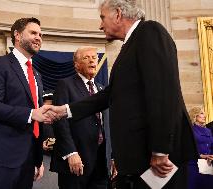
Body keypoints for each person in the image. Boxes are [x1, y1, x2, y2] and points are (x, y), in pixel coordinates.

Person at [48, 0, 198, 188]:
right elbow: (109, 94)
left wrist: (160, 149)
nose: (100, 25)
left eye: (103, 18)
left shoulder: (150, 32)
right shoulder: (130, 45)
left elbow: (164, 92)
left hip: (161, 159)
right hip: (142, 157)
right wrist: (65, 110)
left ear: (118, 14)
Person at [0, 17, 53, 189]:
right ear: (17, 35)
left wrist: (38, 159)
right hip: (2, 158)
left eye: (41, 35)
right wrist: (31, 114)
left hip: (28, 159)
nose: (38, 38)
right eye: (33, 33)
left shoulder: (37, 74)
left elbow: (36, 119)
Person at [50, 46, 116, 189]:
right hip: (76, 160)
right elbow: (60, 121)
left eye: (94, 58)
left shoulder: (103, 89)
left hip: (101, 161)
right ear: (77, 64)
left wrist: (112, 156)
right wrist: (71, 153)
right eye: (86, 58)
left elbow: (109, 125)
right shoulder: (65, 85)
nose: (92, 60)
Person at [33, 90, 58, 189]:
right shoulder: (34, 123)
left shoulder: (62, 124)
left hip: (56, 165)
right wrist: (40, 145)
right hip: (39, 162)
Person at [187, 107, 213, 189]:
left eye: (204, 113)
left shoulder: (208, 131)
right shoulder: (190, 130)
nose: (204, 115)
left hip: (208, 164)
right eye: (201, 113)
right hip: (194, 164)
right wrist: (200, 155)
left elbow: (211, 146)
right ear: (194, 115)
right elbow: (187, 148)